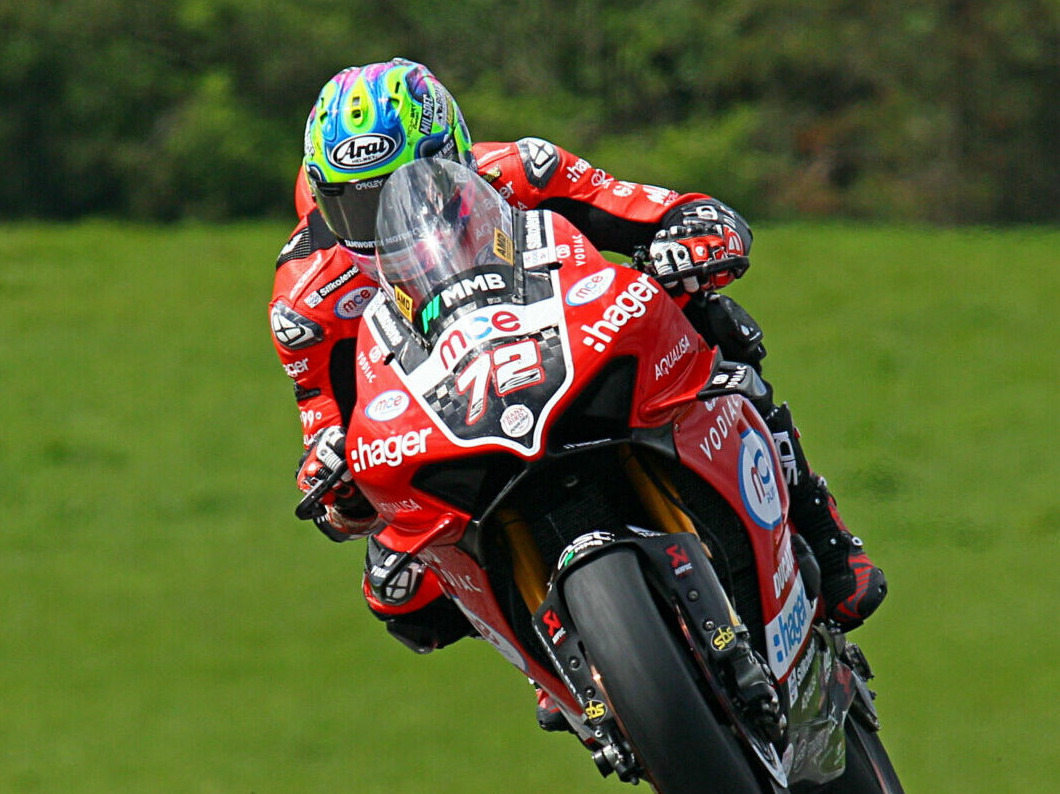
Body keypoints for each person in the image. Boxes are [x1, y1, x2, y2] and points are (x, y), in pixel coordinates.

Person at [273, 58, 885, 682]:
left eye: (407, 188)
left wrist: (690, 236)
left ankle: (823, 531)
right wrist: (334, 481)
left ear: (454, 155)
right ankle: (561, 653)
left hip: (566, 344)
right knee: (400, 592)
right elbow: (327, 425)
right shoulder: (308, 299)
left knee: (709, 319)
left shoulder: (520, 170)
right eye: (355, 205)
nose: (386, 224)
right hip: (447, 416)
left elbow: (648, 208)